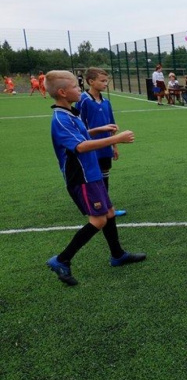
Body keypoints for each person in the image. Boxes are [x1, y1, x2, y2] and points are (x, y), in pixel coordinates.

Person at [45, 70, 145, 286]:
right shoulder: (60, 119)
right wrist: (115, 139)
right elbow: (79, 146)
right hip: (82, 178)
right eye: (75, 87)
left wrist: (100, 129)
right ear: (62, 92)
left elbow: (82, 135)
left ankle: (117, 255)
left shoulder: (70, 113)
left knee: (108, 213)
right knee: (99, 220)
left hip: (92, 173)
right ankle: (62, 259)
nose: (79, 90)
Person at [77, 67, 127, 218]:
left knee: (104, 177)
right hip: (91, 147)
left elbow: (112, 124)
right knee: (93, 178)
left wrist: (114, 146)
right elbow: (79, 126)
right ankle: (95, 206)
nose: (106, 84)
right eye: (102, 81)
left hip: (105, 147)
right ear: (91, 82)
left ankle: (106, 207)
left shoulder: (106, 102)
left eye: (107, 81)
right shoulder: (83, 101)